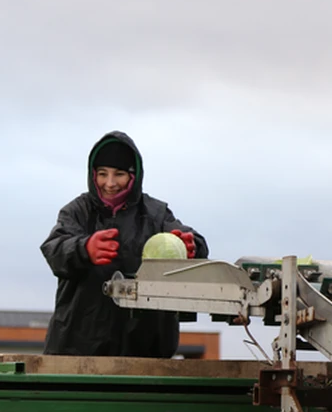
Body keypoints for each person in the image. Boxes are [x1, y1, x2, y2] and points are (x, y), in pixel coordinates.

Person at [40, 130, 208, 357]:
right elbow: (54, 249)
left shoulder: (156, 214)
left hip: (146, 350)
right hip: (78, 348)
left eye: (119, 174)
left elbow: (190, 239)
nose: (109, 184)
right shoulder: (77, 212)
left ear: (134, 176)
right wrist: (84, 248)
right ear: (93, 175)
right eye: (102, 174)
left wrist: (191, 246)